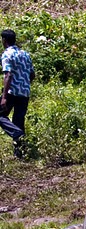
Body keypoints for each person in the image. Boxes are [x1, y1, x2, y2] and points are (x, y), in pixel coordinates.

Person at [1, 29, 34, 159]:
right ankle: (20, 153)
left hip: (12, 92)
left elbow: (8, 75)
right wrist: (24, 84)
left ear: (4, 40)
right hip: (24, 93)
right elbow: (32, 74)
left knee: (1, 115)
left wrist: (4, 97)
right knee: (19, 120)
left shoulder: (7, 54)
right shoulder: (25, 54)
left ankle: (15, 132)